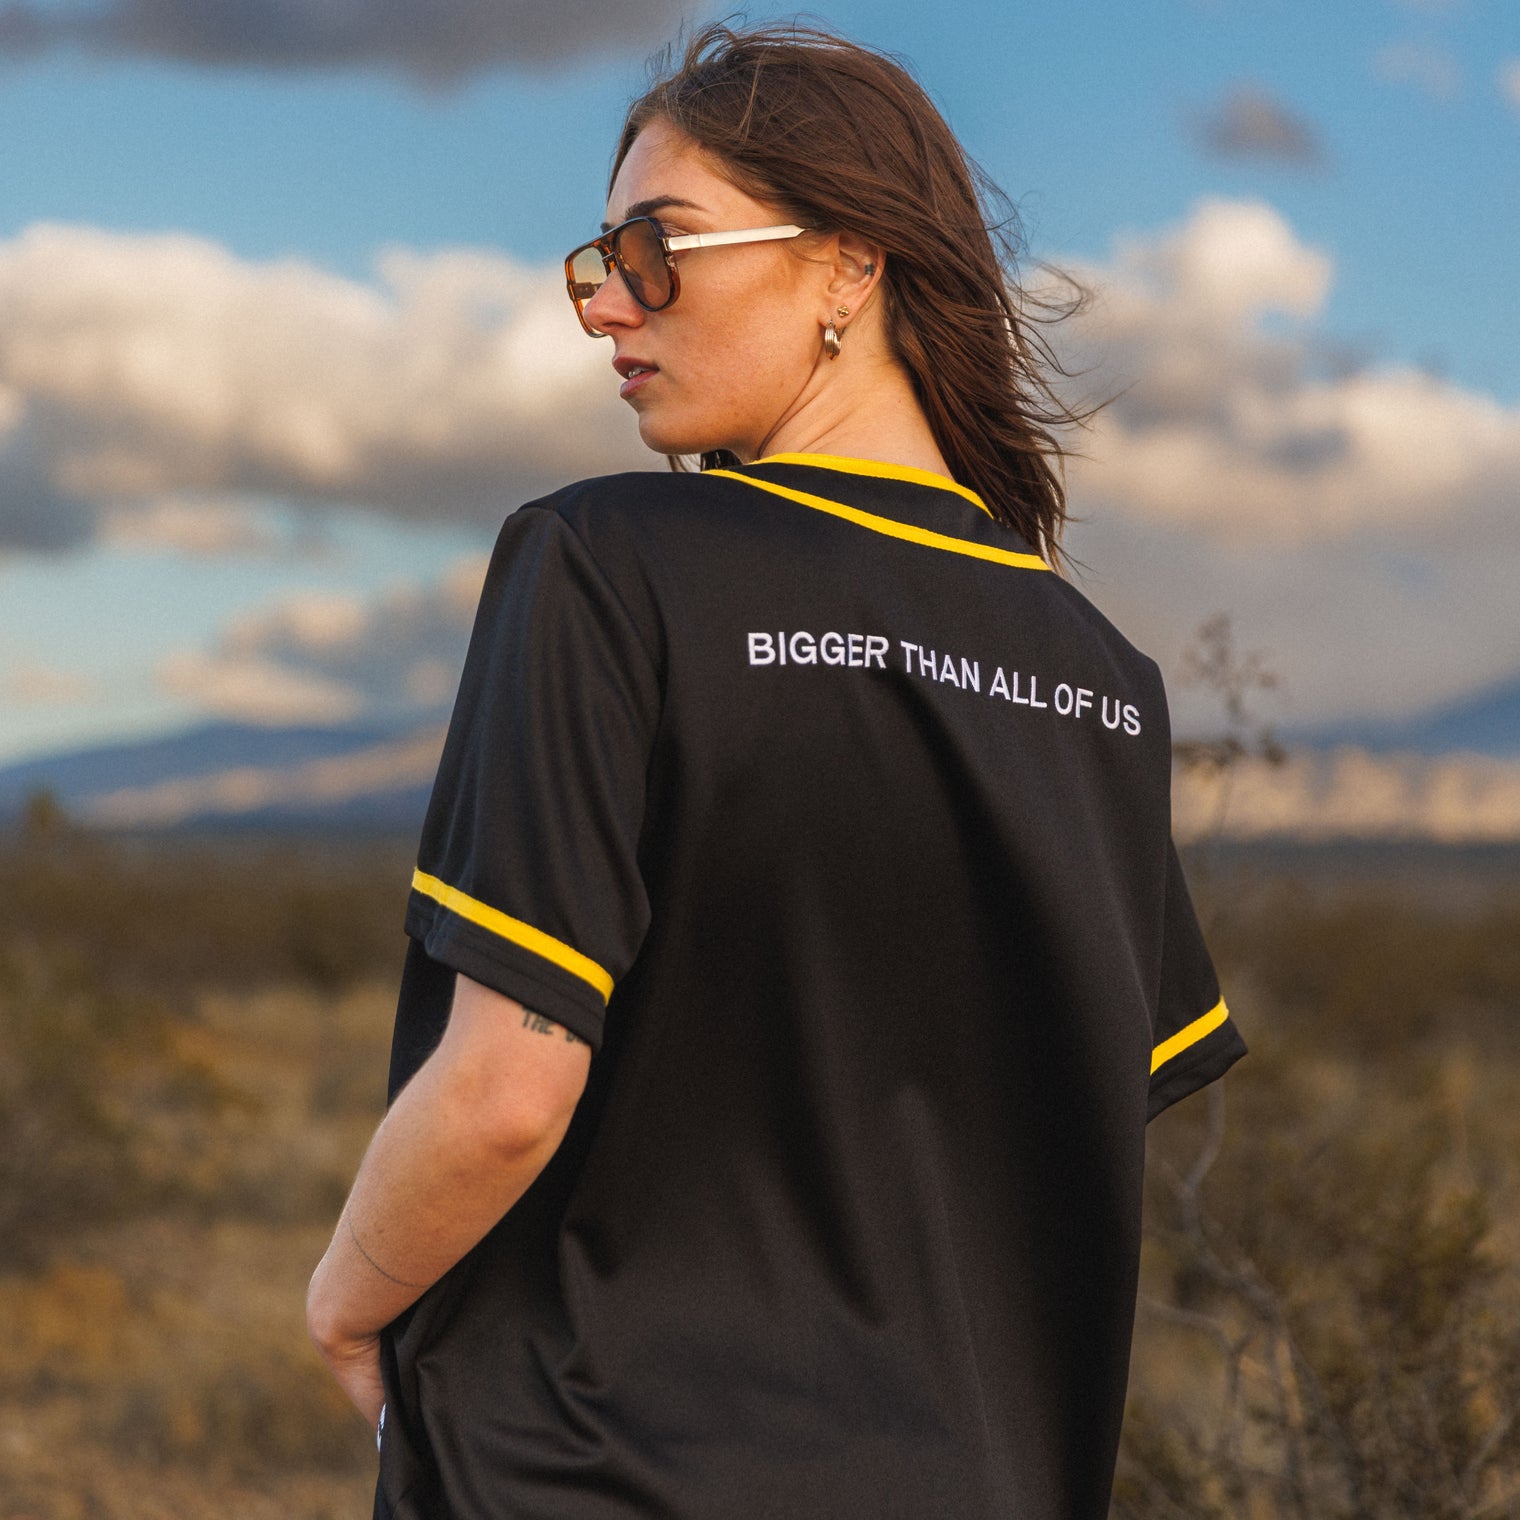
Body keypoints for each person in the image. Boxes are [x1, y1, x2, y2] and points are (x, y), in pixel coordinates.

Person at [307, 19, 1246, 1520]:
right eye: (598, 259)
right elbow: (1046, 1141)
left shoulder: (608, 564)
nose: (604, 303)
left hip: (597, 1469)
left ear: (848, 265)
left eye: (656, 248)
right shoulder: (1104, 685)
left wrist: (348, 1301)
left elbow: (504, 1092)